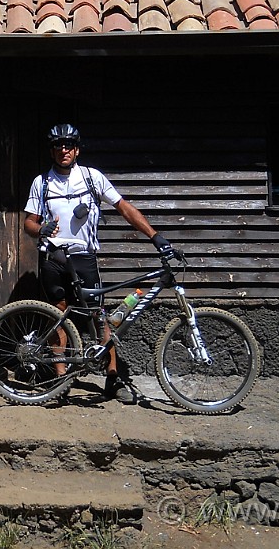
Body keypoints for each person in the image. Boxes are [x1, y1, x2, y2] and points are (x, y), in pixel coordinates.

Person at [23, 123, 178, 403]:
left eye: (68, 145)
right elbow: (28, 224)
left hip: (84, 258)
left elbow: (124, 207)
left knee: (99, 316)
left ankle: (113, 377)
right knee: (59, 318)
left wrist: (155, 235)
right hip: (53, 259)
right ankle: (61, 381)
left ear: (77, 149)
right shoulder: (41, 182)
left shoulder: (93, 178)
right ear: (52, 151)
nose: (63, 150)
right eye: (58, 146)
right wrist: (41, 229)